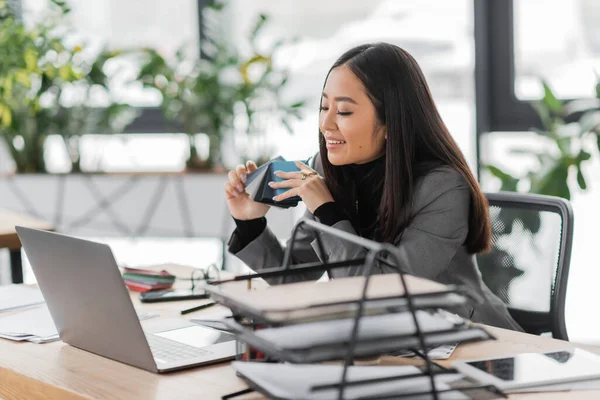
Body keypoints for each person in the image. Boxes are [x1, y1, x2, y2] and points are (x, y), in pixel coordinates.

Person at [223, 42, 522, 331]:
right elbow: (294, 278)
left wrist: (327, 210)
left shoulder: (443, 188)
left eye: (343, 111)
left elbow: (386, 289)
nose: (325, 124)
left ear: (391, 121)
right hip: (385, 338)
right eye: (324, 106)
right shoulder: (327, 169)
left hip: (468, 340)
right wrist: (250, 222)